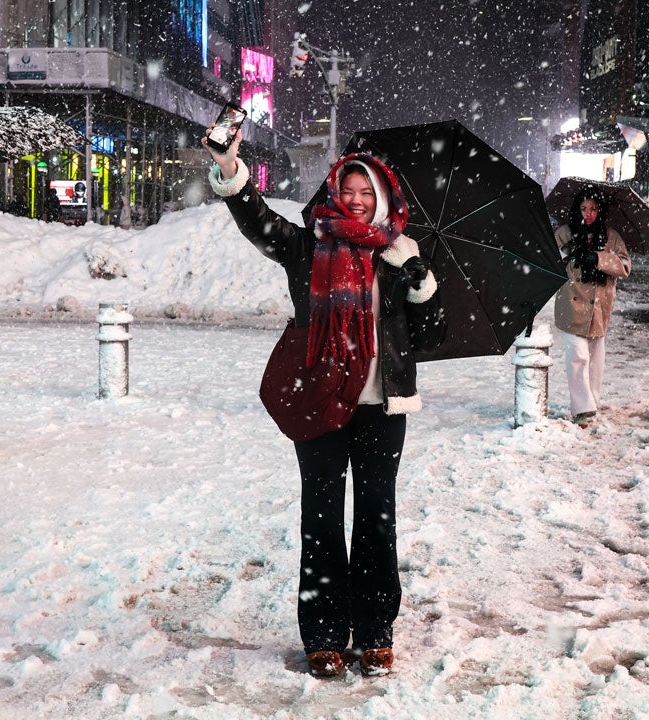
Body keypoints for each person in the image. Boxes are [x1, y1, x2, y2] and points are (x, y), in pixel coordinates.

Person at [204, 129, 445, 677]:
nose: (357, 199)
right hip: (320, 400)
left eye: (367, 192)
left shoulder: (402, 254)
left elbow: (430, 336)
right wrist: (231, 172)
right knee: (321, 517)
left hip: (382, 407)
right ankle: (324, 634)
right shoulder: (309, 247)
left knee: (376, 519)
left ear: (383, 197)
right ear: (336, 191)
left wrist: (422, 287)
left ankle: (376, 629)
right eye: (350, 189)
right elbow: (258, 224)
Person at [553, 191, 632, 429]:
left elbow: (625, 266)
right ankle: (581, 408)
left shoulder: (611, 237)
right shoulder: (564, 234)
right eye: (584, 209)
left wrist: (598, 258)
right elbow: (550, 259)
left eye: (593, 209)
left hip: (599, 305)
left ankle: (592, 403)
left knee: (596, 359)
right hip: (572, 302)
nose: (589, 214)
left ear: (600, 211)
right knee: (578, 355)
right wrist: (568, 257)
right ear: (577, 209)